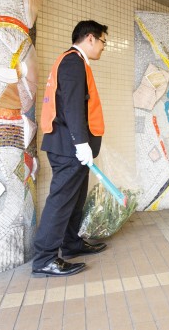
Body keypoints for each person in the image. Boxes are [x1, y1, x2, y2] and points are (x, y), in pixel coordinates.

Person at [32, 20, 109, 277]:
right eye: (103, 41)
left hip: (70, 145)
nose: (103, 47)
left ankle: (71, 243)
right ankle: (44, 258)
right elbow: (73, 106)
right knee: (62, 200)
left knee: (75, 199)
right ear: (90, 38)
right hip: (68, 146)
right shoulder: (73, 62)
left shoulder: (75, 62)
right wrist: (81, 143)